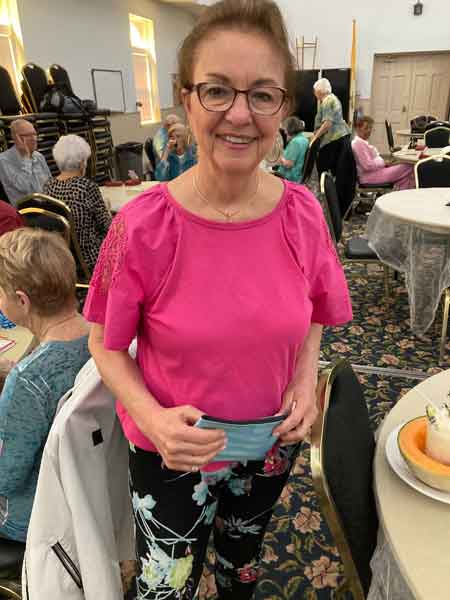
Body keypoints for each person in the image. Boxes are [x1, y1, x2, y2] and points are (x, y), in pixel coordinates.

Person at [84, 1, 353, 598]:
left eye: (262, 94)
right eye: (217, 90)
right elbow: (104, 344)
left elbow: (316, 310)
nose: (239, 113)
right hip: (174, 450)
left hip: (269, 444)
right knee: (167, 585)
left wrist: (304, 380)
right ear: (186, 100)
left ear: (282, 107)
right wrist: (151, 418)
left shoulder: (303, 215)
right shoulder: (141, 227)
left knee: (240, 568)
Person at [0, 228, 91, 541]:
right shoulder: (100, 339)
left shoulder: (28, 380)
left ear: (22, 301)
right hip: (82, 491)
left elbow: (5, 478)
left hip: (29, 516)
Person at [43, 134, 112, 274]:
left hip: (62, 256)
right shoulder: (86, 186)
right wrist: (109, 211)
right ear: (81, 163)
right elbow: (107, 226)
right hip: (89, 257)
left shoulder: (48, 186)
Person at [311, 78, 355, 214]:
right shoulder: (332, 99)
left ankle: (327, 204)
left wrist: (314, 138)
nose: (314, 94)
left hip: (334, 141)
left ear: (319, 90)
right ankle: (332, 205)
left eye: (314, 91)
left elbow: (327, 123)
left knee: (325, 174)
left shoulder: (328, 101)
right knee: (338, 174)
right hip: (338, 140)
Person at [352, 116, 414, 190]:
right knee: (409, 166)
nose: (369, 131)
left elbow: (370, 162)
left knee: (405, 176)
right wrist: (383, 162)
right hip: (369, 177)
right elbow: (367, 166)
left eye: (370, 128)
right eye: (366, 128)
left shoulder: (361, 142)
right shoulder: (358, 144)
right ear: (357, 129)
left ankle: (402, 193)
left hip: (374, 173)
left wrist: (385, 163)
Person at [0, 119, 51, 207]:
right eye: (27, 135)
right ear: (16, 138)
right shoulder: (3, 160)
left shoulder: (38, 156)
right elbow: (23, 187)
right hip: (26, 210)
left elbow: (50, 184)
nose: (34, 138)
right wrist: (26, 157)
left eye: (34, 134)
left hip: (46, 205)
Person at [276, 116, 309, 182]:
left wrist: (278, 158)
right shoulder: (304, 139)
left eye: (285, 129)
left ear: (290, 128)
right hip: (297, 173)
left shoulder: (295, 142)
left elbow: (288, 165)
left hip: (289, 176)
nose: (285, 132)